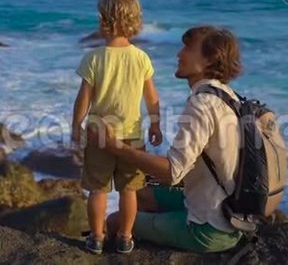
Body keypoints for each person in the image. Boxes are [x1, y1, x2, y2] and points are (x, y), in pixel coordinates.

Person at [88, 25, 244, 253]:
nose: (179, 54)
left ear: (209, 61)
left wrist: (117, 148)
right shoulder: (228, 97)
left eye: (188, 49)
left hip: (208, 228)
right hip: (226, 210)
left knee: (117, 221)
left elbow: (173, 173)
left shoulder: (202, 104)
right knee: (137, 195)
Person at [71, 0, 163, 254]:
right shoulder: (141, 58)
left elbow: (83, 99)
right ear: (135, 22)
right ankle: (124, 237)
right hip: (132, 138)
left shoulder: (94, 58)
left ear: (104, 22)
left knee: (98, 190)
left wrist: (76, 126)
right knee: (129, 191)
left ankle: (97, 238)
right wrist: (155, 124)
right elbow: (152, 98)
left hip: (100, 135)